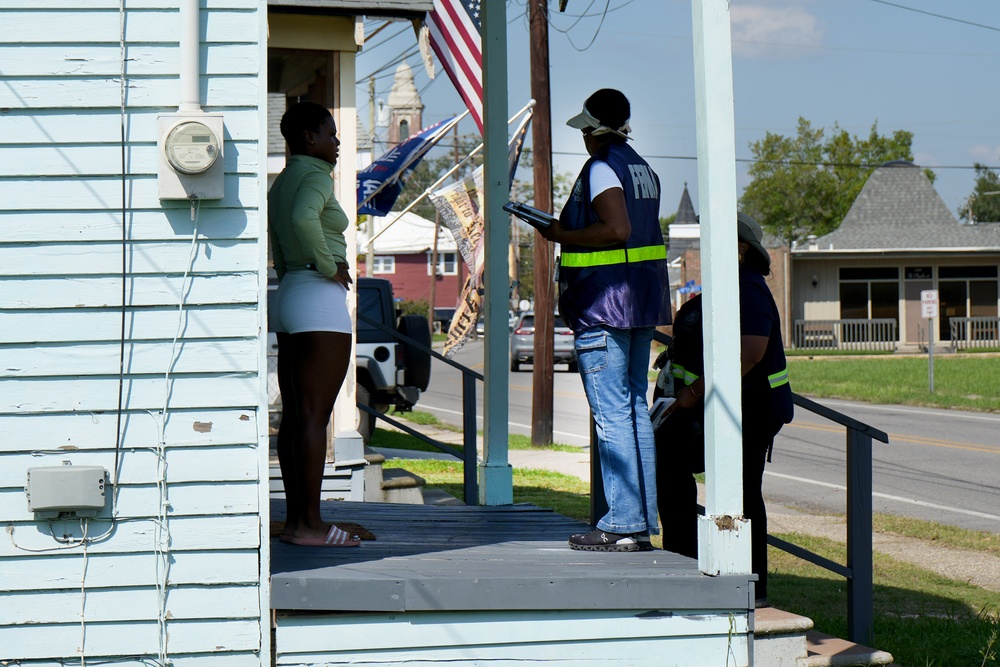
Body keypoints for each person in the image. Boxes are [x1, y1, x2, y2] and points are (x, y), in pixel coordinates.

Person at [539, 89, 672, 552]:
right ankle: (637, 523)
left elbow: (616, 230)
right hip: (639, 304)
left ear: (594, 130)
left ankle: (620, 522)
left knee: (612, 414)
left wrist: (560, 234)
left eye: (584, 131)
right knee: (634, 412)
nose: (583, 140)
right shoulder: (644, 169)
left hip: (603, 305)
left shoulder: (601, 167)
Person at [655, 212, 793, 604]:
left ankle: (752, 586)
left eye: (719, 240)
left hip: (750, 411)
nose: (708, 248)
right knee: (671, 467)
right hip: (719, 410)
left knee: (744, 495)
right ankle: (684, 563)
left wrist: (692, 394)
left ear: (742, 249)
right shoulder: (726, 289)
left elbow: (748, 355)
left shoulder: (748, 289)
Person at [269, 101, 359, 547]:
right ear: (309, 137)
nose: (337, 141)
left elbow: (279, 231)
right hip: (316, 301)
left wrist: (292, 274)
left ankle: (297, 522)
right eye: (330, 133)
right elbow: (306, 219)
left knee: (296, 416)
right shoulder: (315, 176)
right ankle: (310, 525)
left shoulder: (283, 179)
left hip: (289, 294)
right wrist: (327, 266)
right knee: (313, 417)